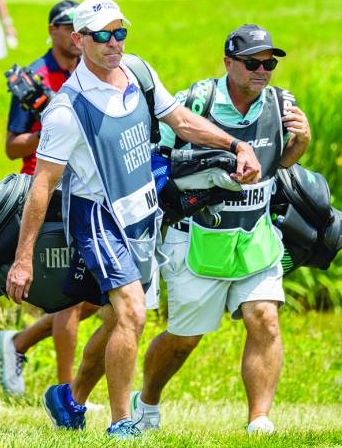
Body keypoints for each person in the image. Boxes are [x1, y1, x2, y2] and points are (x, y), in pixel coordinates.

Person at [6, 0, 262, 438]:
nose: (114, 43)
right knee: (131, 313)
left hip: (143, 215)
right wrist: (23, 259)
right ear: (78, 40)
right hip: (97, 219)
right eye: (102, 35)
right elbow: (42, 184)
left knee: (115, 321)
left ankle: (69, 399)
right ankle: (122, 422)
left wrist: (236, 145)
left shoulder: (139, 72)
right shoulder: (67, 109)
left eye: (119, 32)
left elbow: (181, 121)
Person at [132, 24, 310, 436]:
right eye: (252, 63)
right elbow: (157, 158)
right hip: (197, 235)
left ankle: (259, 421)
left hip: (255, 236)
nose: (262, 71)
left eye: (269, 63)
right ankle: (147, 404)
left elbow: (279, 163)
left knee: (265, 317)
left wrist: (300, 143)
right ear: (228, 63)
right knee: (184, 338)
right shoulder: (197, 100)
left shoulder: (282, 104)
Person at [0, 0, 100, 396]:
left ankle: (18, 343)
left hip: (85, 189)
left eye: (79, 26)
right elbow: (12, 147)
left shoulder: (94, 70)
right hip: (45, 191)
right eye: (65, 25)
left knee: (98, 295)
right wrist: (53, 131)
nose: (74, 33)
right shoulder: (33, 77)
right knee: (68, 299)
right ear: (52, 30)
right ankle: (68, 395)